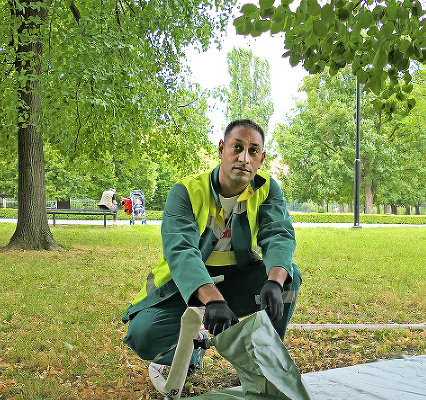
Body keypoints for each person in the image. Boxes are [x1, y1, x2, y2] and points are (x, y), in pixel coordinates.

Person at [122, 119, 301, 373]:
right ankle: (190, 350)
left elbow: (279, 235)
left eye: (253, 151)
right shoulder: (185, 191)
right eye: (236, 148)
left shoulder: (268, 189)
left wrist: (273, 282)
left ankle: (266, 361)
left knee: (288, 277)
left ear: (261, 158)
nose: (244, 158)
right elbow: (181, 251)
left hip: (235, 282)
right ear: (221, 149)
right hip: (185, 286)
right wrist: (213, 301)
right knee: (143, 335)